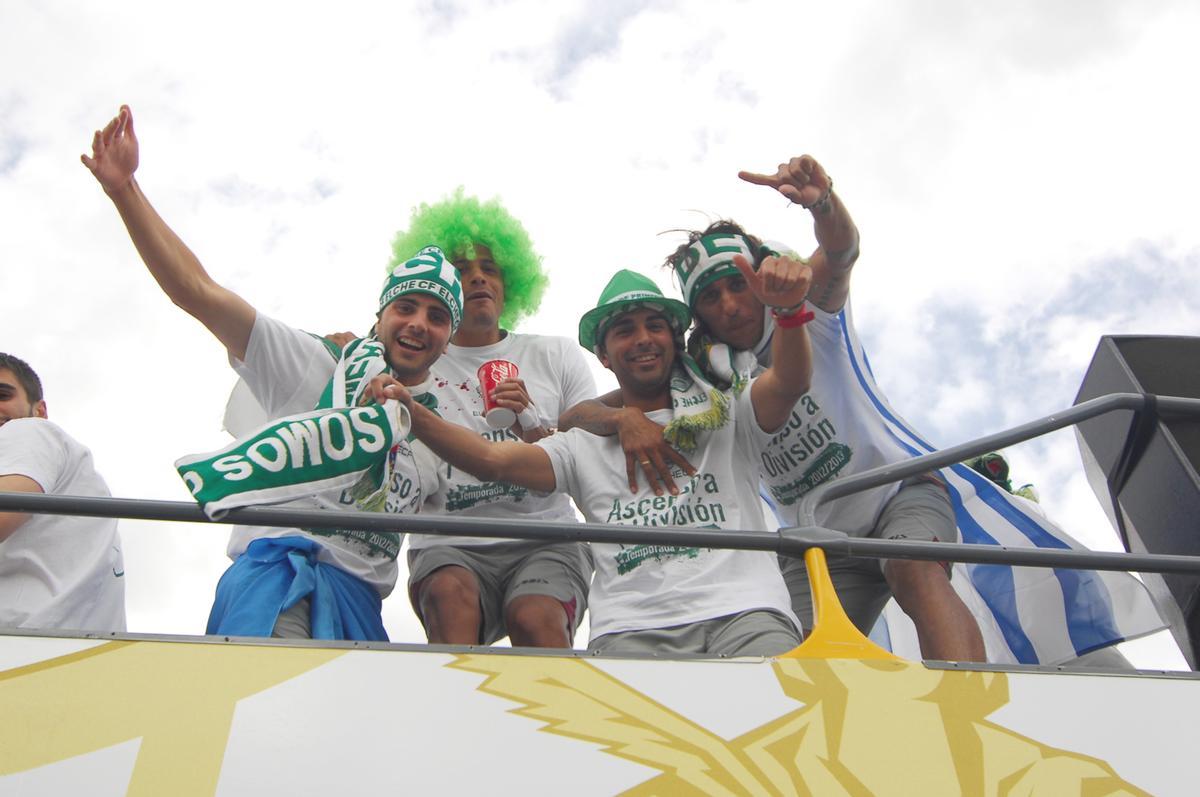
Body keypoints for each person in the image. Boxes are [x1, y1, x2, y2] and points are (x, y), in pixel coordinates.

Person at [560, 154, 986, 662]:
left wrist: (823, 202)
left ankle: (967, 707)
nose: (730, 306)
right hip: (820, 536)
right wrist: (619, 418)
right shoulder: (703, 371)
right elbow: (578, 413)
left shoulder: (809, 308)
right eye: (710, 297)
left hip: (896, 492)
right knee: (790, 651)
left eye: (738, 285)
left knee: (911, 566)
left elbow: (842, 249)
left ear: (764, 276)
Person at [82, 105, 453, 641]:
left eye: (437, 317)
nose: (419, 324)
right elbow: (199, 292)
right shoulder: (314, 362)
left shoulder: (436, 430)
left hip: (361, 614)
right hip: (278, 587)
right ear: (381, 315)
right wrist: (126, 190)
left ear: (448, 339)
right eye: (406, 308)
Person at [375, 262, 815, 656]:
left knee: (784, 735)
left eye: (654, 326)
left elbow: (790, 381)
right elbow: (493, 459)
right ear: (603, 356)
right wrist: (412, 411)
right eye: (624, 330)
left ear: (675, 340)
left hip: (748, 616)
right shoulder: (579, 444)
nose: (642, 339)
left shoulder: (727, 411)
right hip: (631, 633)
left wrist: (790, 313)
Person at [387, 191, 597, 649]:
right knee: (449, 599)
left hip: (546, 537)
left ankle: (553, 719)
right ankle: (458, 717)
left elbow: (589, 461)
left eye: (490, 268)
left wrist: (535, 425)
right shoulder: (410, 357)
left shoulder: (555, 353)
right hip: (449, 543)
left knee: (536, 618)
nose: (478, 278)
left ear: (512, 281)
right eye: (461, 270)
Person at [0, 353, 126, 631]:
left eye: (2, 394)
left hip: (23, 643)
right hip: (66, 651)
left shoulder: (28, 432)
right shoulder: (69, 464)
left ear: (39, 411)